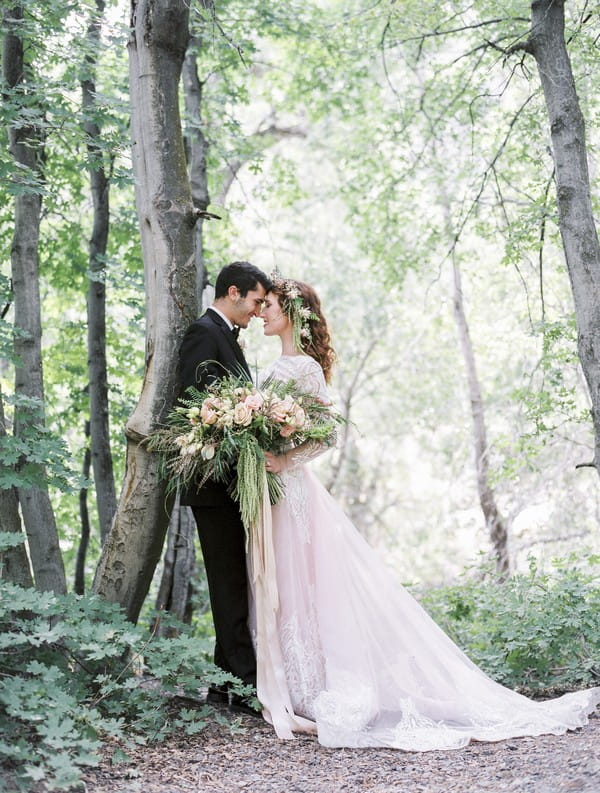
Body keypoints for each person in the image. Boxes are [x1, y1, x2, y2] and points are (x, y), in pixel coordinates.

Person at [250, 273, 600, 749]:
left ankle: (314, 687)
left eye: (269, 304)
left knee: (304, 585)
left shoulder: (306, 369)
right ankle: (289, 684)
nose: (262, 312)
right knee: (284, 587)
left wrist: (287, 458)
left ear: (292, 312)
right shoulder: (272, 366)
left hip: (293, 491)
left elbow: (328, 434)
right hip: (270, 492)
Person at [179, 260, 271, 716]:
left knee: (233, 582)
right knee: (229, 584)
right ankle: (248, 689)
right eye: (255, 301)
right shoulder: (203, 333)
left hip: (233, 483)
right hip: (213, 485)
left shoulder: (225, 337)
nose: (258, 311)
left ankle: (222, 687)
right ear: (232, 292)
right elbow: (198, 409)